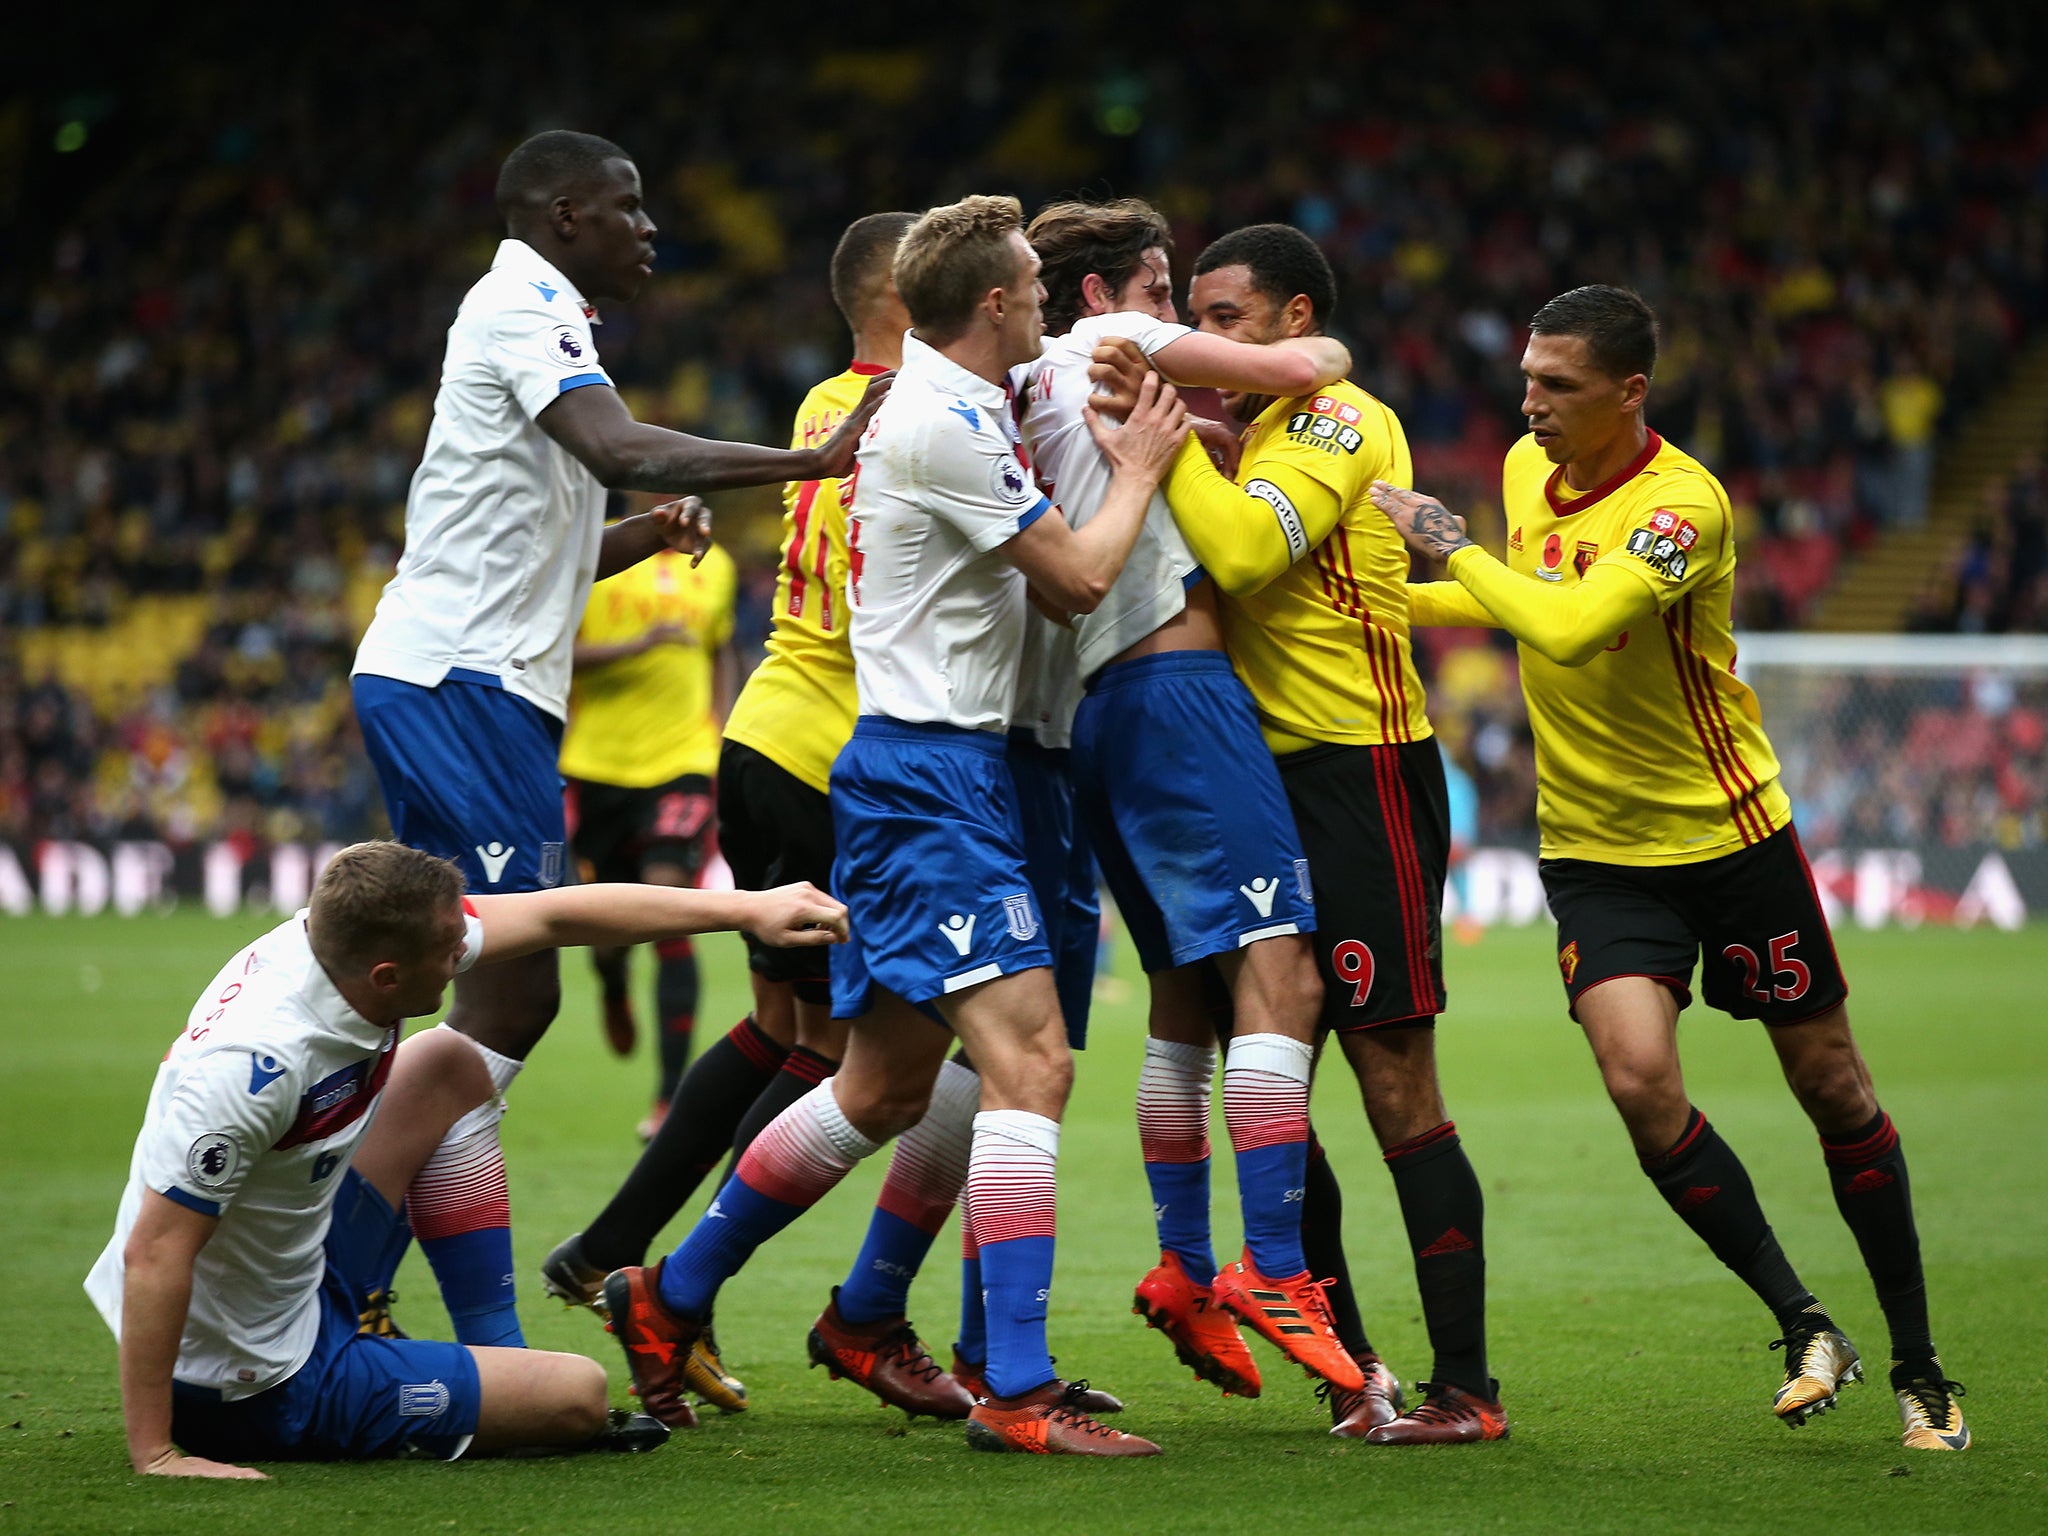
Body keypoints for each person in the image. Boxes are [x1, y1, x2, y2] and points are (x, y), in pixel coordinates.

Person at [606, 194, 1188, 1457]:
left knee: (880, 1087)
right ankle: (1018, 1392)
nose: (1044, 300)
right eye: (1034, 284)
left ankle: (668, 1297)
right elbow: (1080, 577)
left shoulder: (955, 399)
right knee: (1029, 1064)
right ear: (993, 303)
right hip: (931, 783)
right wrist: (1137, 471)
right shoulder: (939, 421)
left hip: (929, 771)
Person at [1372, 283, 1968, 1453]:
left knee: (1831, 1090)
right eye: (1528, 378)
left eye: (1558, 386)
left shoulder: (1680, 504)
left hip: (1729, 837)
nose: (1528, 402)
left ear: (1628, 392)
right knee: (1638, 1080)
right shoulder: (1517, 470)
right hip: (1595, 850)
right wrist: (1374, 598)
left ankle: (1921, 1366)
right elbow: (1516, 599)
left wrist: (1444, 550)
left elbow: (1568, 624)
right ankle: (1804, 1323)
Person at [348, 129, 887, 1351]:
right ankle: (353, 1281)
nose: (650, 228)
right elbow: (617, 444)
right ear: (564, 213)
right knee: (501, 989)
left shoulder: (543, 316)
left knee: (504, 1002)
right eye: (629, 206)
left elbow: (546, 542)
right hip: (454, 686)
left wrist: (643, 536)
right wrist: (812, 456)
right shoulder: (520, 302)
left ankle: (442, 1314)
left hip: (484, 688)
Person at [1094, 222, 1503, 1443]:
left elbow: (1243, 547)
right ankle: (1352, 1366)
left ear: (1292, 321)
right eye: (1191, 316)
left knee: (1392, 1081)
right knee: (1272, 1084)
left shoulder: (1334, 418)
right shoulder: (1246, 434)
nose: (1199, 338)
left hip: (1359, 773)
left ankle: (1466, 1390)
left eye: (1223, 318)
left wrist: (1156, 447)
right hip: (1249, 784)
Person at [85, 839, 846, 1478]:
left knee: (447, 1066)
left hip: (300, 1269)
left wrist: (748, 908)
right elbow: (153, 1253)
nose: (465, 955)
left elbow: (554, 914)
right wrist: (156, 1452)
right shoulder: (255, 1063)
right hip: (254, 1379)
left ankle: (488, 1356)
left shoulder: (334, 946)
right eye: (452, 952)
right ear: (388, 976)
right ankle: (461, 1383)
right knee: (577, 1396)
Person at [538, 213, 916, 1415]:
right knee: (864, 1065)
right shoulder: (918, 413)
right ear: (911, 298)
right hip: (830, 760)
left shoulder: (823, 402)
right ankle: (662, 1285)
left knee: (783, 1034)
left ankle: (611, 1253)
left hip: (759, 731)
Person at [559, 535, 739, 1133]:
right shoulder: (593, 555)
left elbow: (719, 652)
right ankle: (612, 983)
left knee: (670, 906)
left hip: (683, 761)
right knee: (608, 936)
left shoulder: (717, 567)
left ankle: (668, 1101)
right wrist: (639, 644)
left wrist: (724, 732)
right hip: (598, 765)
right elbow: (551, 652)